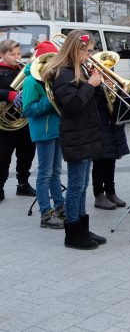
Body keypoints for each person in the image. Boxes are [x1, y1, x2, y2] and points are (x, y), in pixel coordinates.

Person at [43, 31, 106, 250]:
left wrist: (98, 85)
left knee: (83, 185)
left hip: (86, 134)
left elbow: (89, 102)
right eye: (87, 51)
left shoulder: (79, 70)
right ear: (74, 50)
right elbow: (72, 107)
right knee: (75, 186)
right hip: (75, 135)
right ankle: (73, 234)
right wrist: (90, 84)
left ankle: (82, 228)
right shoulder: (63, 73)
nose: (90, 55)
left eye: (91, 51)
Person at [22, 41, 64, 228]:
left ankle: (60, 207)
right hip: (43, 132)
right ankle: (46, 214)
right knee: (45, 173)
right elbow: (28, 110)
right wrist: (50, 100)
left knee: (55, 172)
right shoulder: (31, 81)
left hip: (58, 130)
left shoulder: (54, 77)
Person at [0, 39, 36, 201]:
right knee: (3, 156)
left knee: (27, 152)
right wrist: (9, 95)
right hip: (5, 124)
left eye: (19, 53)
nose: (17, 57)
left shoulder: (25, 70)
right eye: (12, 54)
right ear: (2, 55)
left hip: (24, 121)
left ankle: (23, 184)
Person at [91, 79, 130, 210]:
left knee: (111, 158)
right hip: (98, 124)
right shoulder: (91, 79)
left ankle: (110, 192)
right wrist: (98, 87)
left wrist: (118, 89)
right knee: (99, 161)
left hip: (111, 124)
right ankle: (99, 195)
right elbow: (93, 101)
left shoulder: (109, 77)